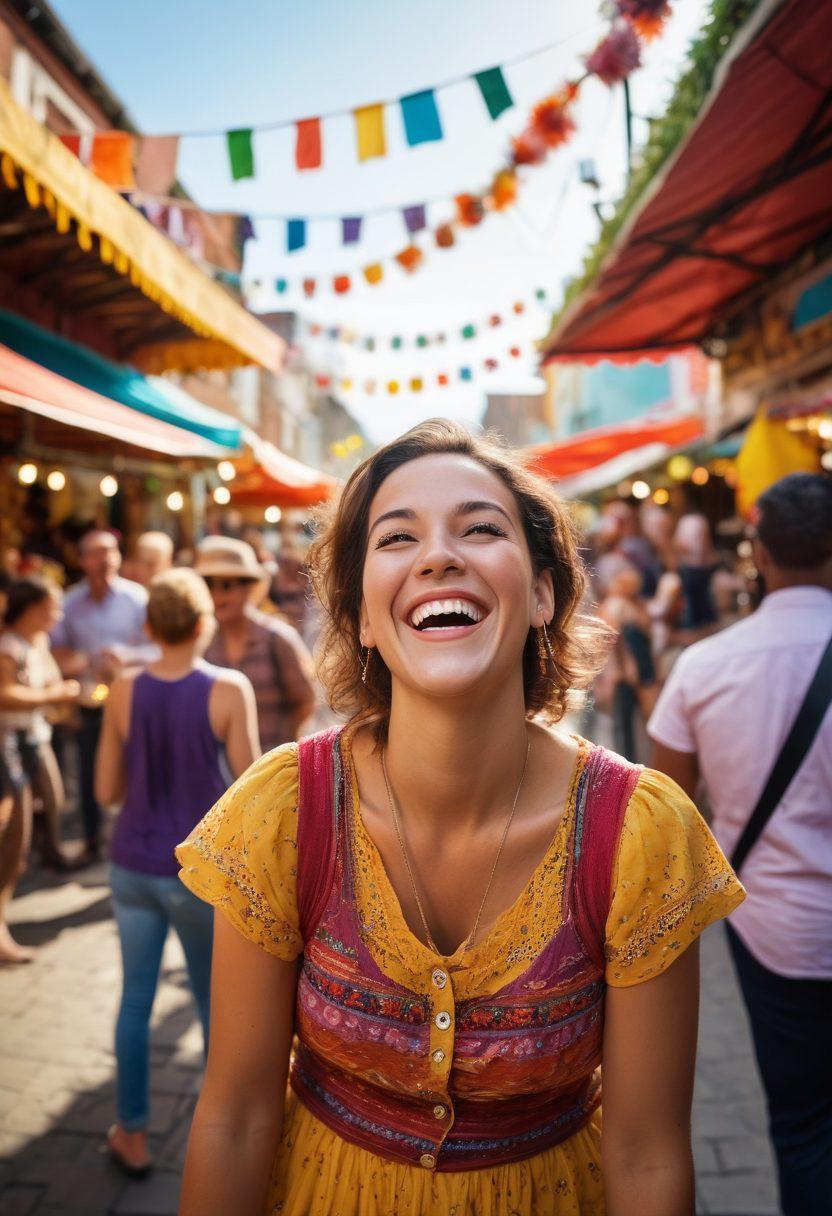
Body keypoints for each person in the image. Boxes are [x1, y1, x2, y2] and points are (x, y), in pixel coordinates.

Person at [176, 419, 744, 1216]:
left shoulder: (637, 831)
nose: (440, 556)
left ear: (543, 591)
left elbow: (648, 1154)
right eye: (397, 537)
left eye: (480, 528)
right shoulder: (283, 811)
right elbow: (234, 1117)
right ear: (365, 617)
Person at [647, 472, 832, 1216]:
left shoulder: (706, 665)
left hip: (772, 929)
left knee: (803, 1123)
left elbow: (662, 808)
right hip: (776, 926)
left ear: (757, 551)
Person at [94, 568, 260, 1178]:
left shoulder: (124, 690)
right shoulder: (226, 689)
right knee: (215, 1000)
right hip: (197, 870)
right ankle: (219, 1134)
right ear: (202, 623)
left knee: (135, 997)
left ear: (149, 626)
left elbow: (106, 789)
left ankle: (131, 1133)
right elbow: (251, 789)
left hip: (130, 863)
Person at [51, 530, 154, 864]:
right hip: (90, 702)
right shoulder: (68, 604)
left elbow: (159, 647)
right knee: (87, 769)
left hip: (133, 699)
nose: (105, 559)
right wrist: (82, 660)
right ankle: (93, 840)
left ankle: (137, 837)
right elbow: (55, 650)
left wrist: (125, 655)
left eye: (110, 551)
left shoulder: (137, 599)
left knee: (138, 767)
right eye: (96, 552)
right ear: (82, 560)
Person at [0, 577, 80, 963]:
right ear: (33, 608)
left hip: (35, 739)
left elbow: (49, 685)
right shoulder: (8, 646)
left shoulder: (38, 643)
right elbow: (4, 694)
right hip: (10, 745)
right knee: (12, 837)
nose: (59, 614)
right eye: (53, 606)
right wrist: (54, 695)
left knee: (46, 812)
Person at [195, 537, 316, 751]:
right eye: (209, 584)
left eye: (227, 585)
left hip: (270, 770)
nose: (217, 595)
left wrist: (281, 746)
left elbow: (305, 700)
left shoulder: (277, 638)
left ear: (249, 587)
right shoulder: (201, 642)